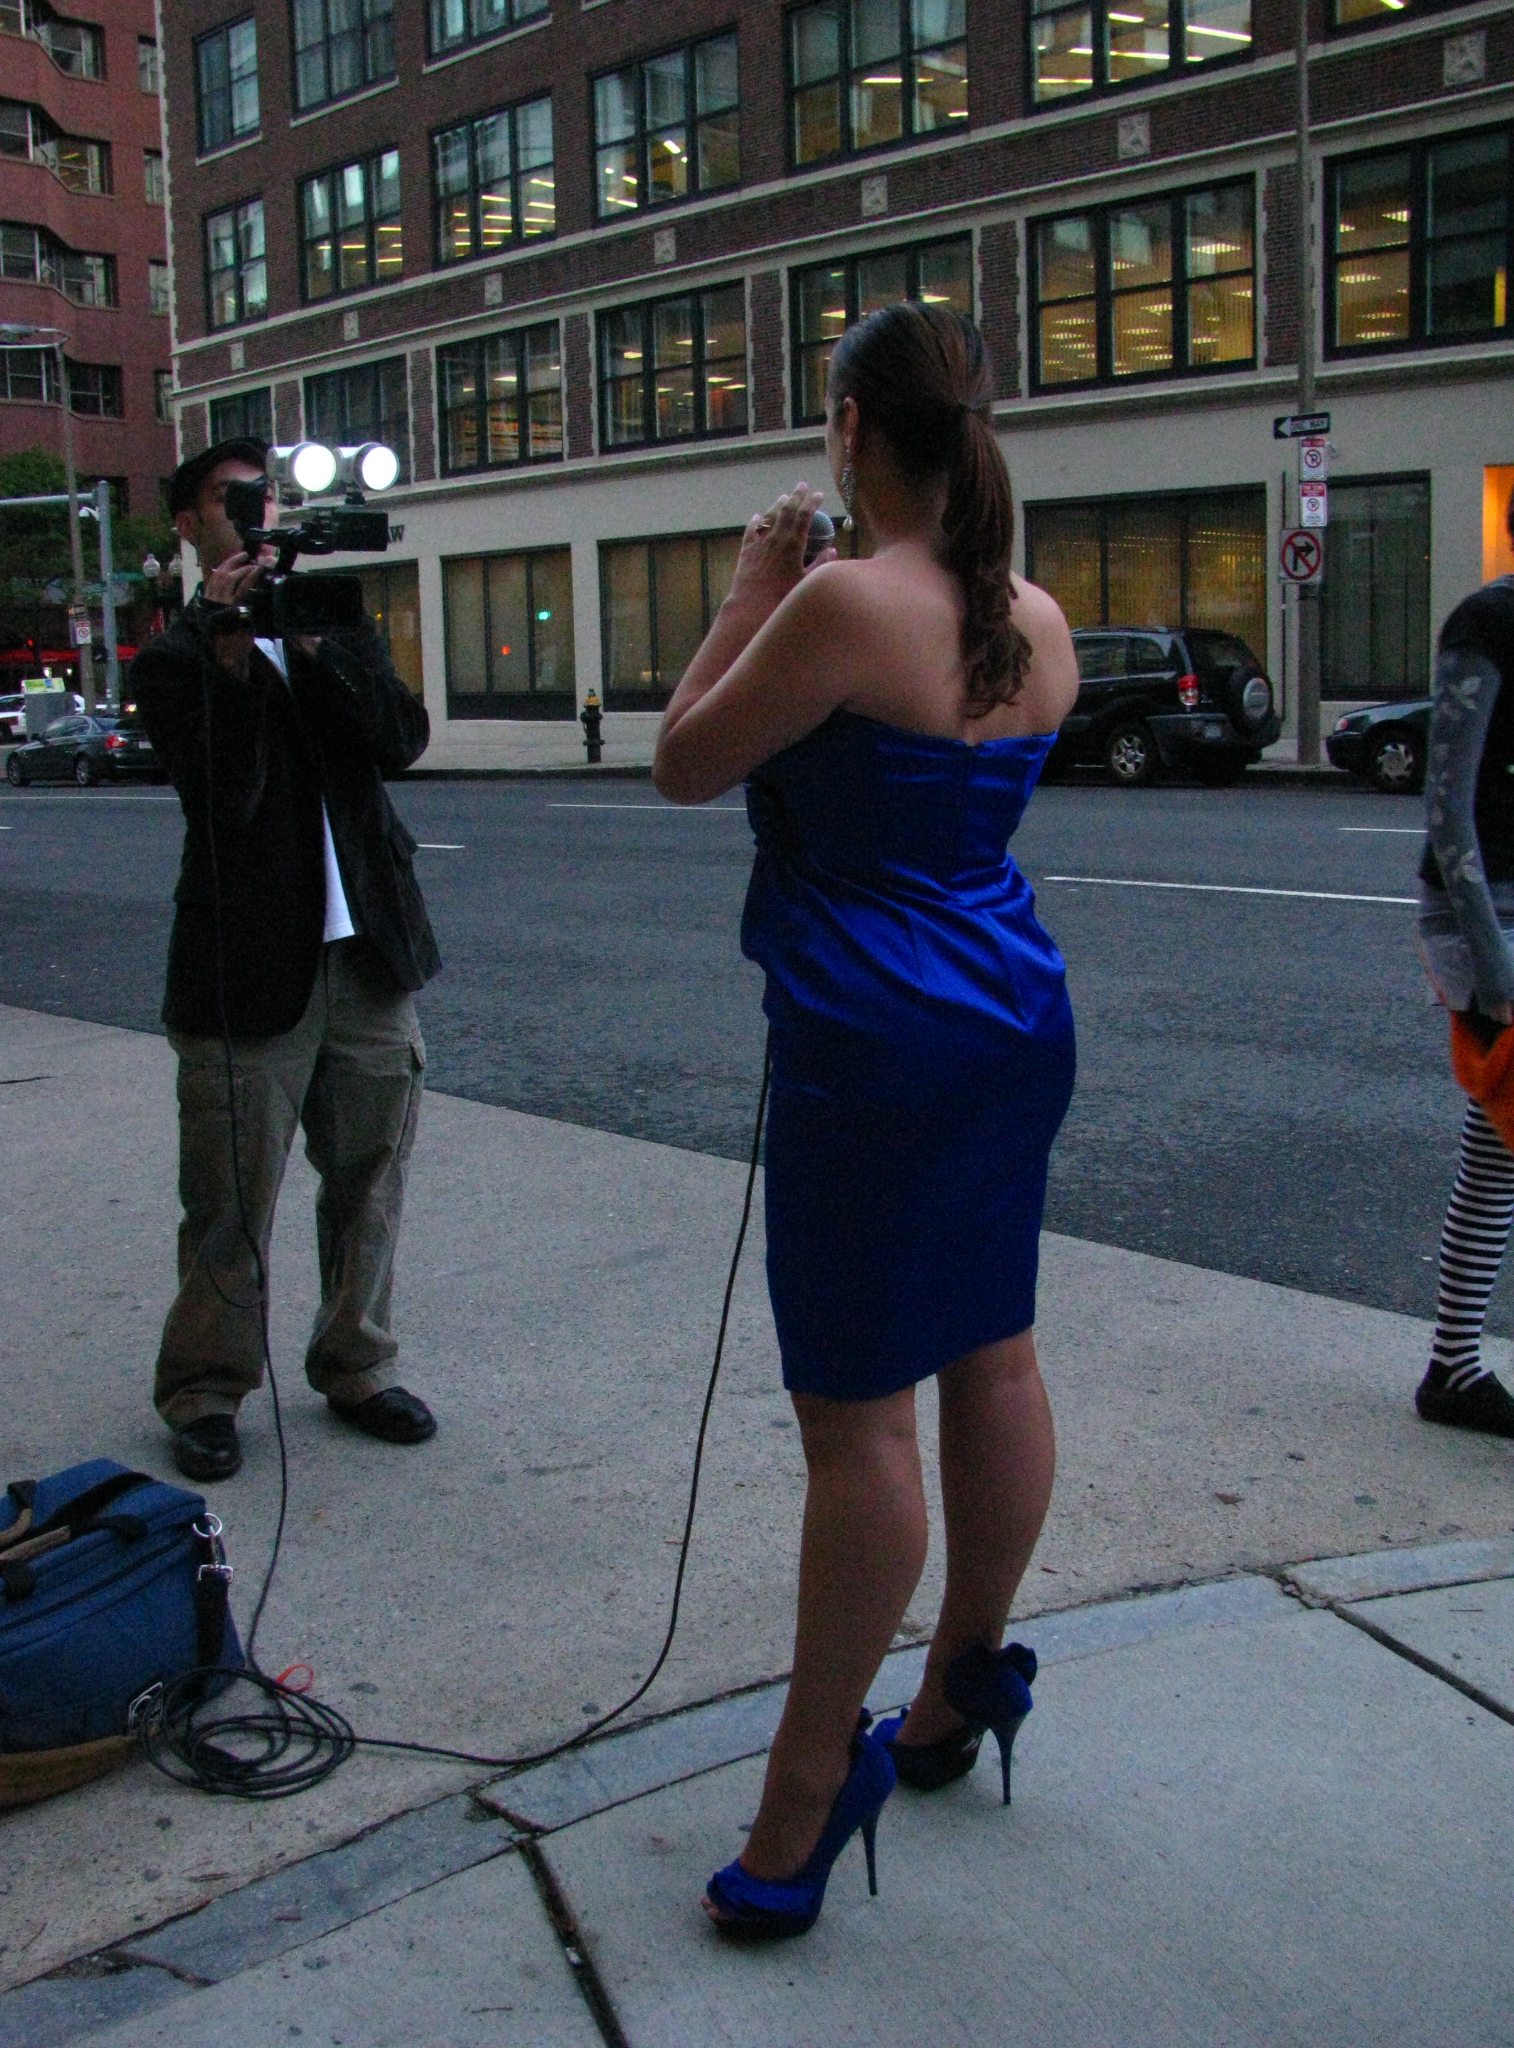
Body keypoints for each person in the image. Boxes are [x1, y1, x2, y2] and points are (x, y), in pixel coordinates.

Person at [653, 304, 1079, 1939]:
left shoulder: (838, 603)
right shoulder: (1032, 617)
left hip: (869, 1037)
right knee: (997, 1351)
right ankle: (963, 1679)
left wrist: (749, 592)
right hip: (1013, 1013)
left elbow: (686, 763)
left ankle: (802, 1795)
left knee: (860, 1428)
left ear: (850, 429)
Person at [131, 437, 442, 1483]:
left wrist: (314, 649)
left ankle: (357, 1362)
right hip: (245, 965)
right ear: (190, 525)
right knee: (230, 1196)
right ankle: (205, 1388)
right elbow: (225, 795)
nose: (257, 513)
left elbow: (401, 739)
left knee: (371, 1178)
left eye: (266, 496)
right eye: (234, 500)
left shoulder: (330, 620)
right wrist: (229, 650)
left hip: (368, 956)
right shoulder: (177, 656)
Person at [1414, 484, 1514, 1440]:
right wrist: (1493, 962)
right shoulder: (1489, 623)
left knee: (1496, 1156)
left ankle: (1452, 1366)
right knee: (1499, 1152)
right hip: (1497, 921)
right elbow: (1449, 806)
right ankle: (1451, 1367)